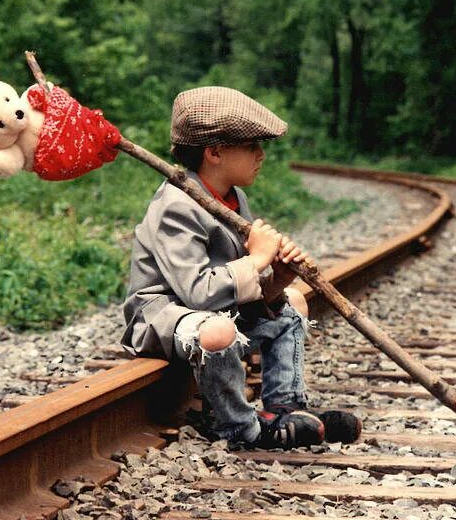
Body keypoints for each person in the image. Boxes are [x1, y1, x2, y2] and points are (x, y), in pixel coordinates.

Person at [121, 86, 360, 449]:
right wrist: (257, 259)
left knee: (293, 304)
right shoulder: (176, 205)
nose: (261, 154)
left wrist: (277, 280)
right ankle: (240, 427)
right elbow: (198, 292)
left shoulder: (234, 196)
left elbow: (238, 288)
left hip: (215, 312)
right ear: (214, 151)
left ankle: (285, 408)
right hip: (165, 316)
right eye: (251, 146)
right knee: (218, 332)